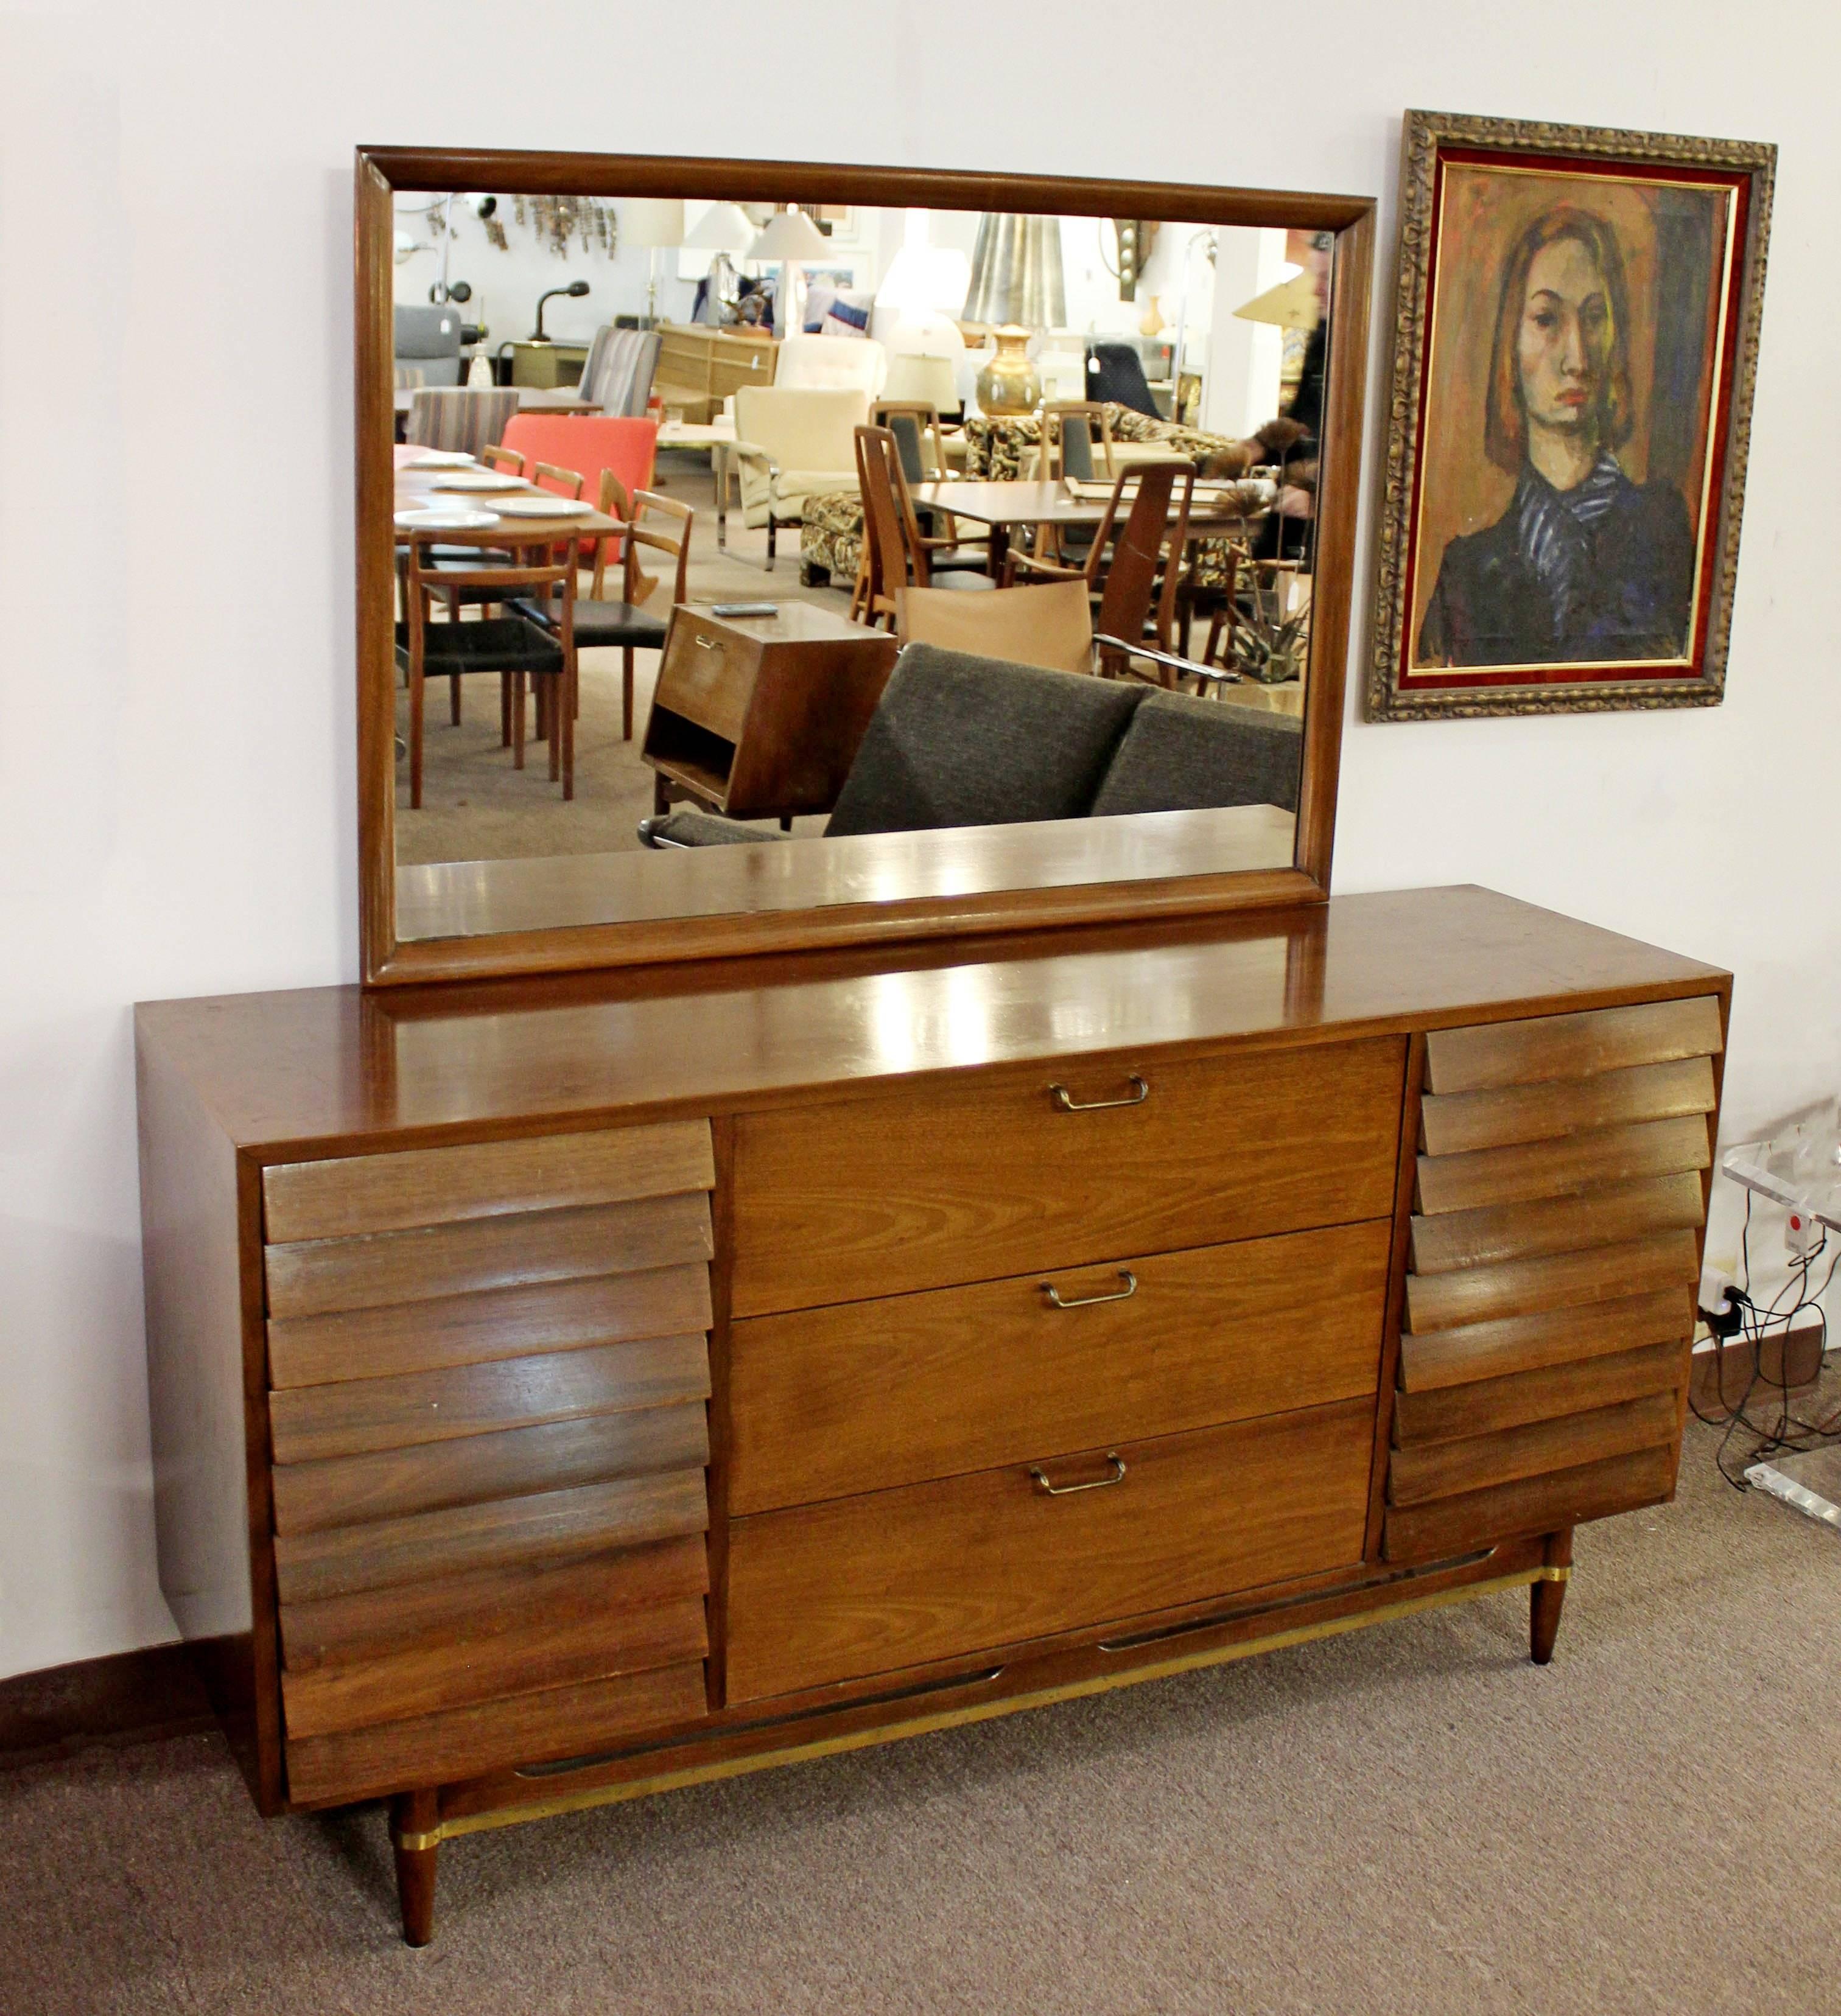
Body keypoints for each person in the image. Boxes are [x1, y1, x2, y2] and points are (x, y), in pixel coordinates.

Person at [1417, 205, 1694, 667]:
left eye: (1594, 317)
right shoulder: (1468, 570)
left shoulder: (1662, 526)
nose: (1577, 358)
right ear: (1511, 341)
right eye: (1546, 319)